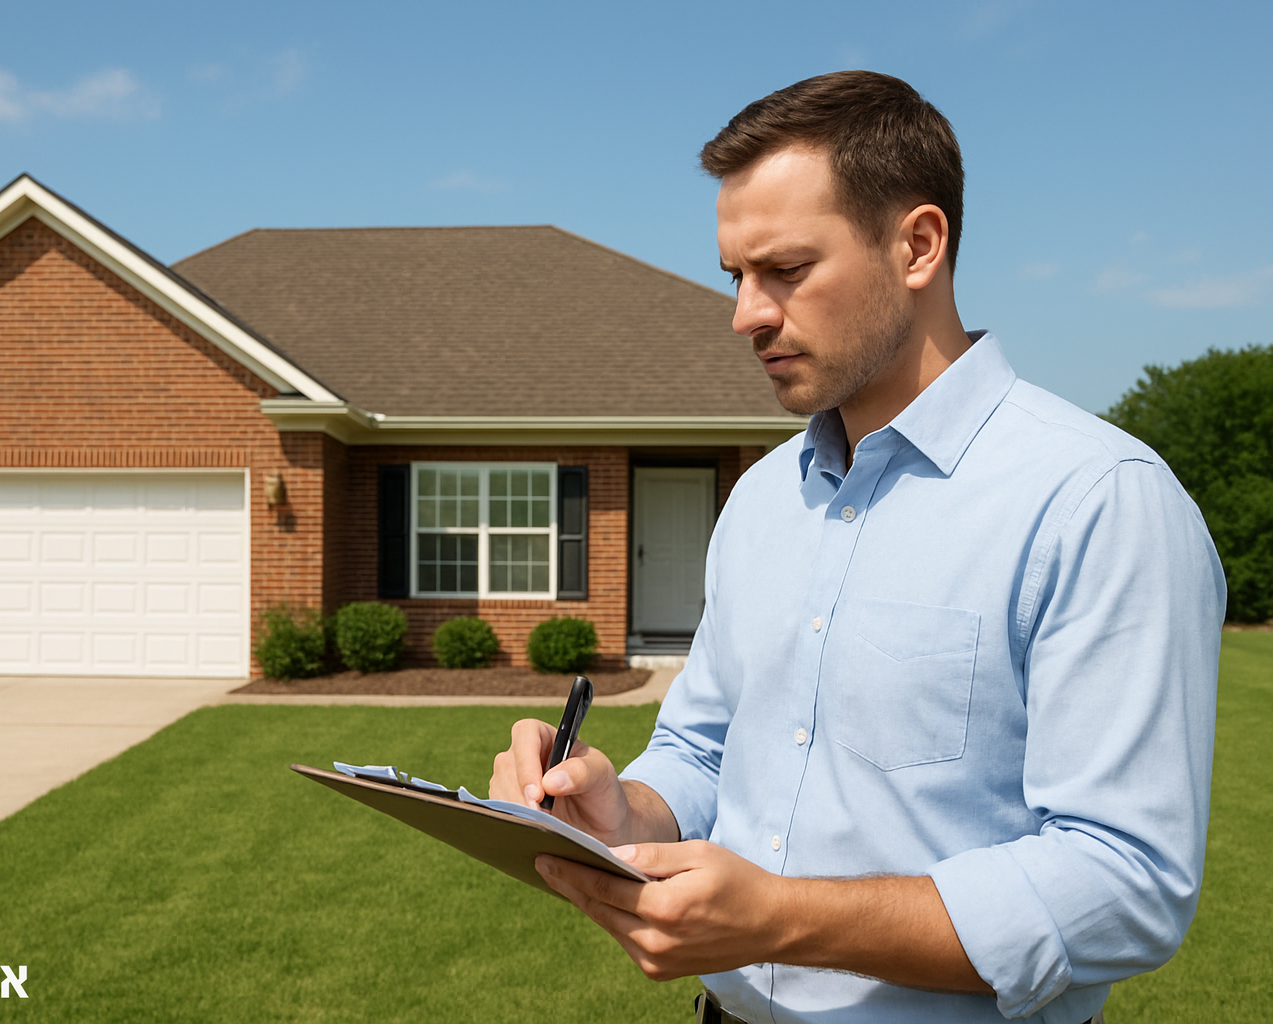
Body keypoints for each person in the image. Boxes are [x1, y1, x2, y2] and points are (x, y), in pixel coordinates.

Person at [490, 71, 1225, 1024]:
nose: (746, 314)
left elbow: (1126, 881)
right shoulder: (760, 500)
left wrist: (783, 921)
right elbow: (705, 750)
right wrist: (624, 812)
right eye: (736, 276)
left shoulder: (1095, 502)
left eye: (785, 270)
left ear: (918, 245)